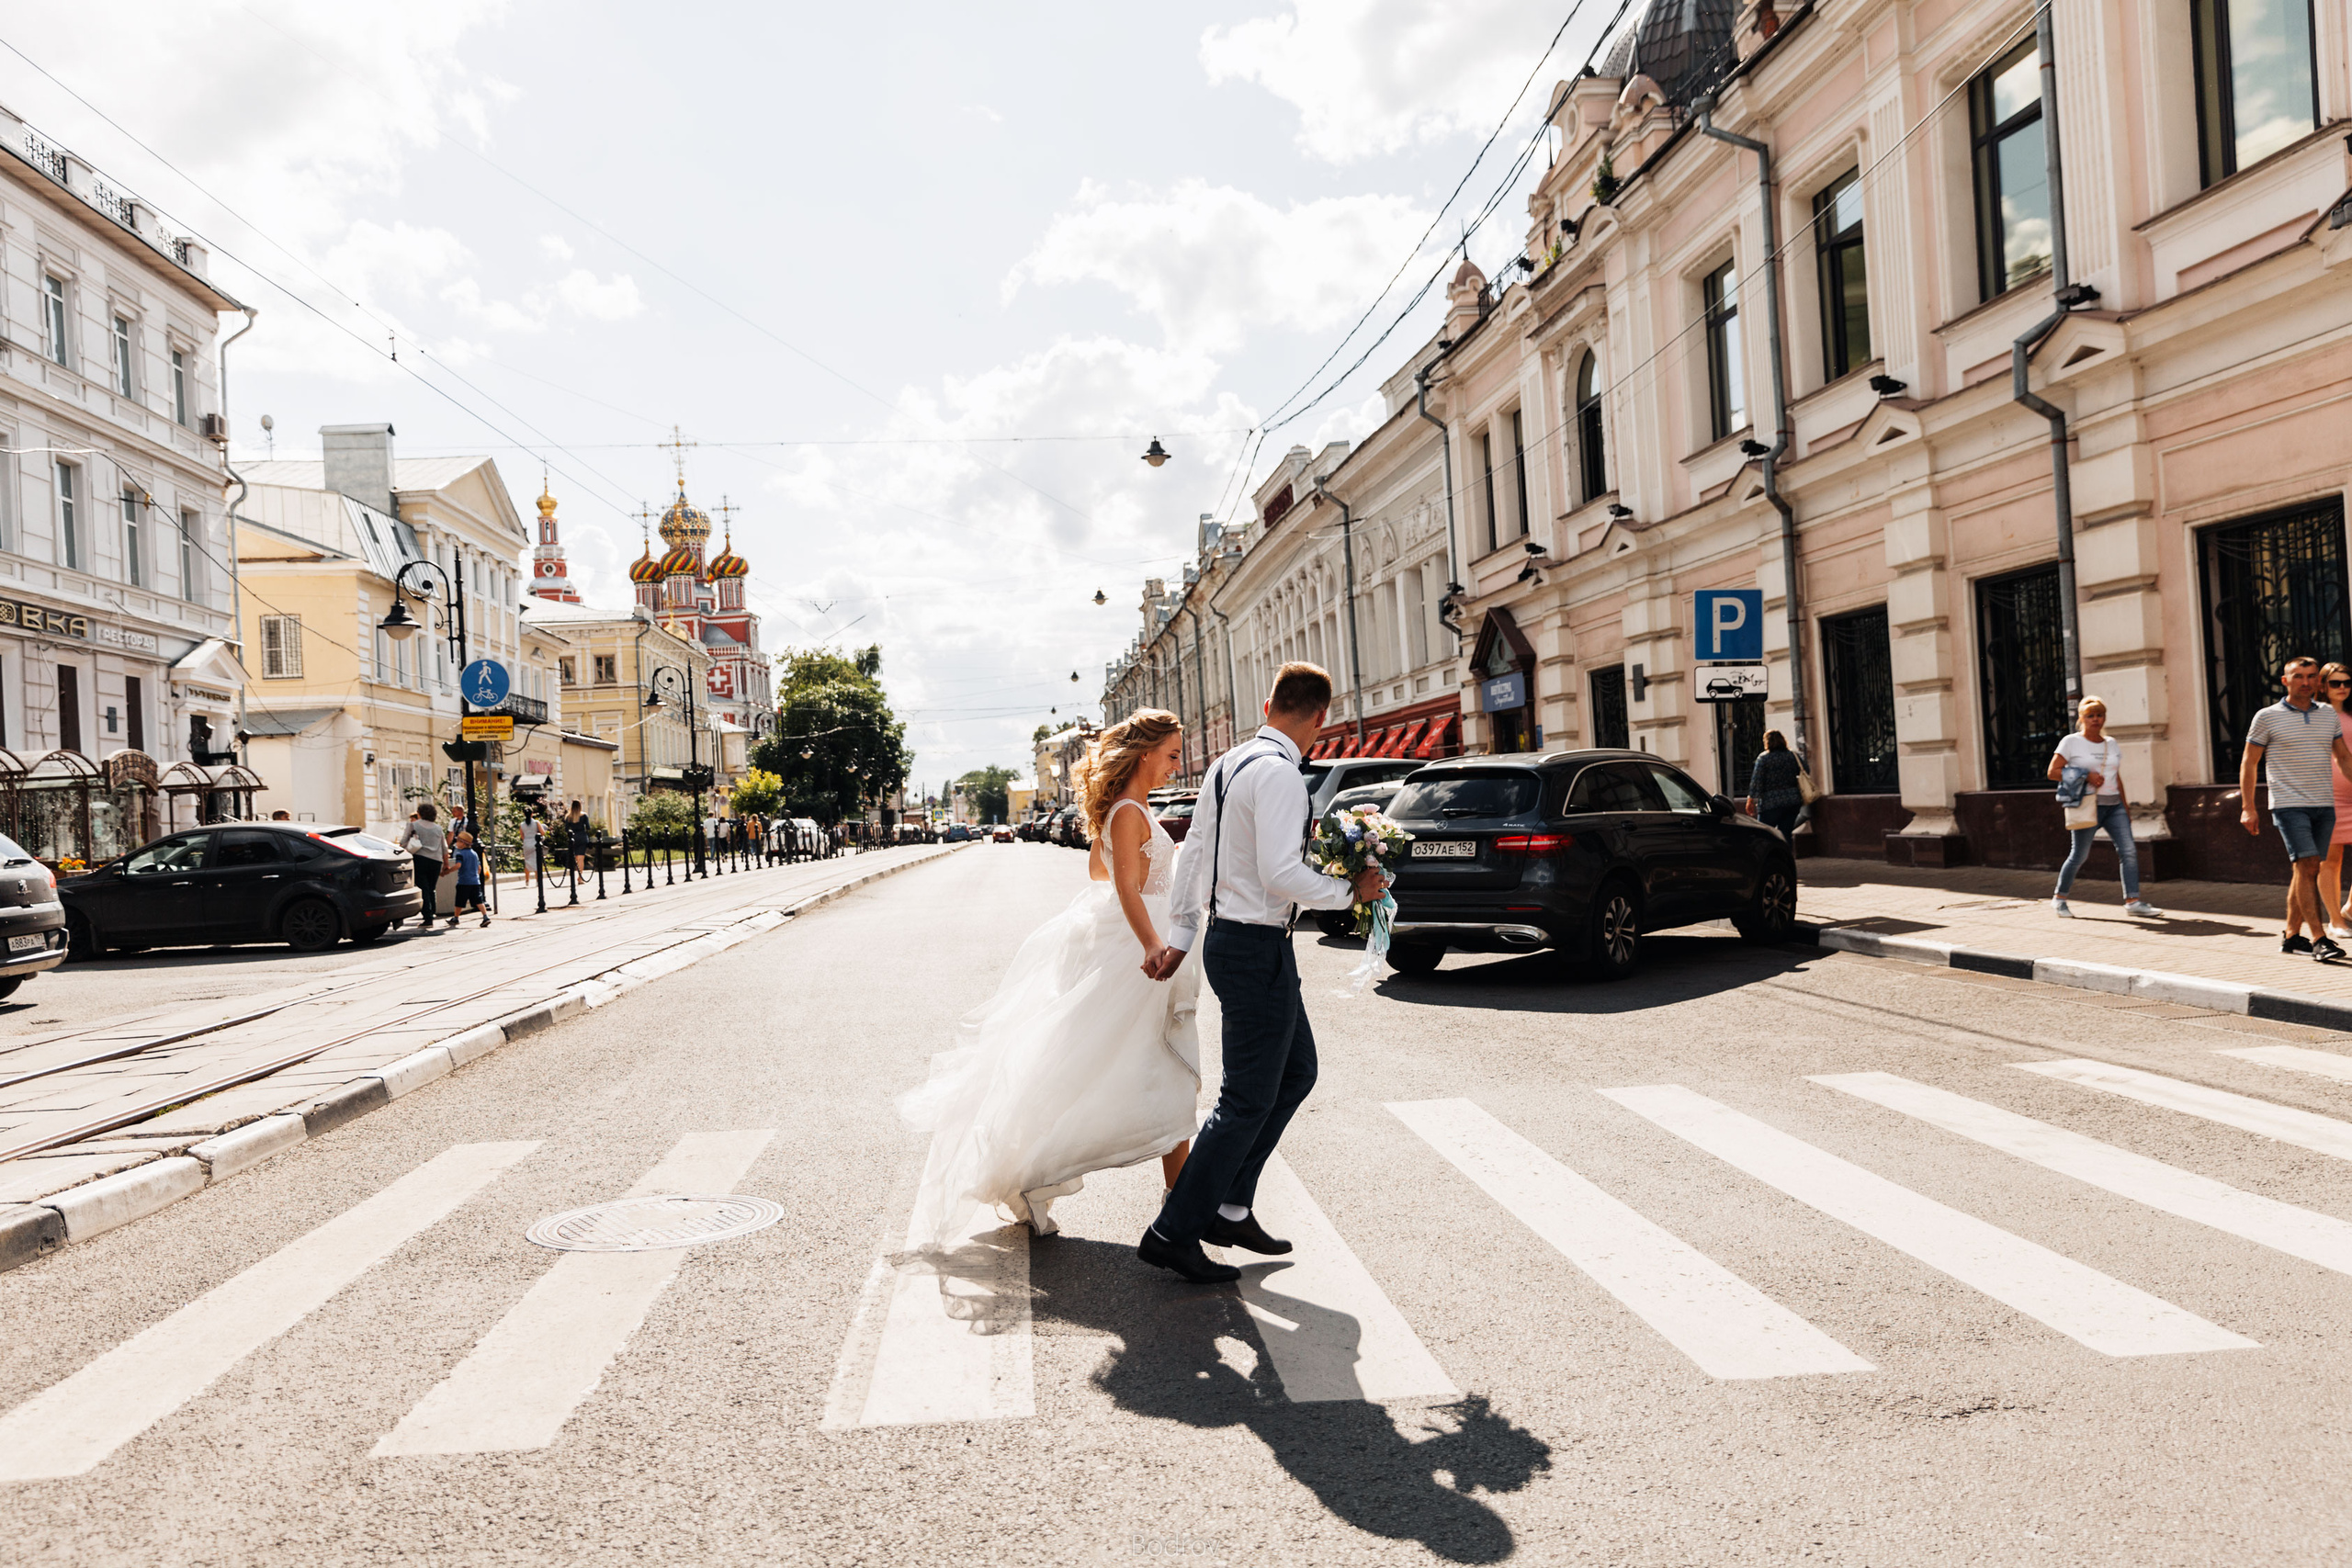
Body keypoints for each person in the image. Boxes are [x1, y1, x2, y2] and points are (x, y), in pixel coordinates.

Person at [898, 709, 1204, 1246]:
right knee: (1145, 1073)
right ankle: (1176, 1217)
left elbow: (1100, 870)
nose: (1177, 765)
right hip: (1139, 957)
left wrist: (1159, 861)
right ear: (1145, 753)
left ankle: (1177, 1210)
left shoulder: (1130, 809)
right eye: (1173, 754)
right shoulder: (1128, 810)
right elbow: (1124, 889)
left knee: (1153, 1073)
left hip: (1138, 949)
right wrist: (1152, 940)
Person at [1137, 662, 1385, 1285]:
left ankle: (1229, 1205)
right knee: (1246, 1098)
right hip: (1255, 946)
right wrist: (1350, 890)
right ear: (1321, 717)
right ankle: (1173, 1231)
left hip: (1236, 940)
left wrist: (1182, 936)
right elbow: (1280, 873)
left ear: (1270, 704)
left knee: (1297, 1072)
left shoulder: (1228, 764)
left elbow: (1194, 854)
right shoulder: (1280, 774)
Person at [2240, 654, 2352, 962]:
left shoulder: (2327, 715)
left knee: (2305, 869)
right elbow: (2249, 762)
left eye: (2311, 676)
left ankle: (2291, 936)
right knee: (2308, 865)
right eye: (2298, 676)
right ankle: (2319, 939)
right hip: (2289, 805)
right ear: (2285, 681)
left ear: (2318, 680)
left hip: (2324, 804)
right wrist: (2248, 806)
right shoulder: (2267, 716)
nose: (2306, 682)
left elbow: (2343, 757)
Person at [2046, 696, 2162, 919]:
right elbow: (2053, 772)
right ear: (2082, 718)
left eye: (2100, 715)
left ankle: (2133, 902)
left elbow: (2116, 777)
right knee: (2079, 855)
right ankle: (2059, 899)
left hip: (2114, 806)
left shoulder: (2111, 743)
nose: (2096, 719)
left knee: (2129, 852)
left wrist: (2125, 808)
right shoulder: (2071, 742)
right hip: (2088, 806)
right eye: (2090, 716)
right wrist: (2086, 775)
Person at [2323, 663, 2352, 938]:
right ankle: (2335, 920)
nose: (2342, 687)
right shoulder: (2316, 715)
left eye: (2347, 682)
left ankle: (2350, 908)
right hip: (2326, 796)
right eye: (2335, 683)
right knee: (2331, 861)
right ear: (2323, 686)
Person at [1744, 730, 1804, 839]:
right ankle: (1786, 850)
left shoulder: (1763, 758)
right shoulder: (1792, 756)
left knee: (1764, 835)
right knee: (1786, 835)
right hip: (1792, 801)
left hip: (1770, 803)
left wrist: (1751, 800)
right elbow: (1806, 770)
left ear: (1767, 742)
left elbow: (1756, 781)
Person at [398, 803, 447, 930]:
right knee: (431, 888)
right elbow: (444, 847)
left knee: (423, 888)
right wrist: (446, 863)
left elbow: (403, 842)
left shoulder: (413, 825)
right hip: (436, 861)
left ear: (420, 813)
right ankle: (432, 911)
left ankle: (427, 917)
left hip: (420, 859)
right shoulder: (438, 828)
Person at [449, 831, 489, 928]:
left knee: (459, 901)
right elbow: (479, 868)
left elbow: (458, 865)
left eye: (457, 841)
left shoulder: (460, 854)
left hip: (464, 882)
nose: (456, 843)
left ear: (463, 843)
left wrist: (448, 871)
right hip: (475, 882)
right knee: (479, 901)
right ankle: (485, 917)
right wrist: (475, 876)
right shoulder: (474, 854)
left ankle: (456, 918)